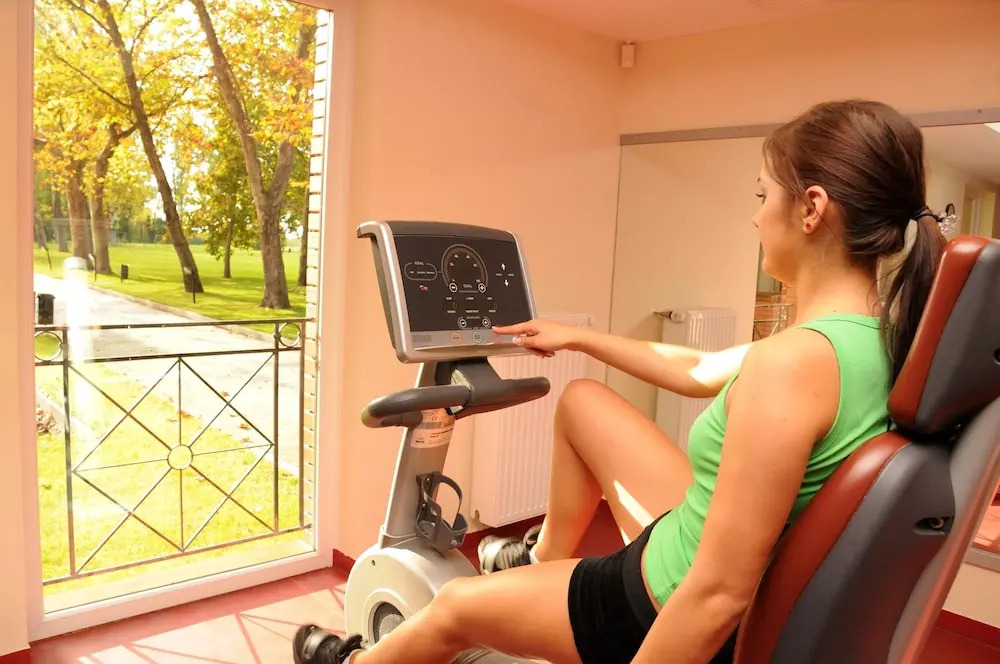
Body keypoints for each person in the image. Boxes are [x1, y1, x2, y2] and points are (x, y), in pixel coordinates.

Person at [292, 99, 947, 664]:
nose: (755, 218)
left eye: (762, 196)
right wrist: (577, 338)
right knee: (582, 402)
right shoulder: (880, 341)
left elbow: (717, 596)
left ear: (811, 209)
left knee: (453, 608)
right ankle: (538, 566)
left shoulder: (792, 366)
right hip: (703, 539)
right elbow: (698, 370)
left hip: (656, 598)